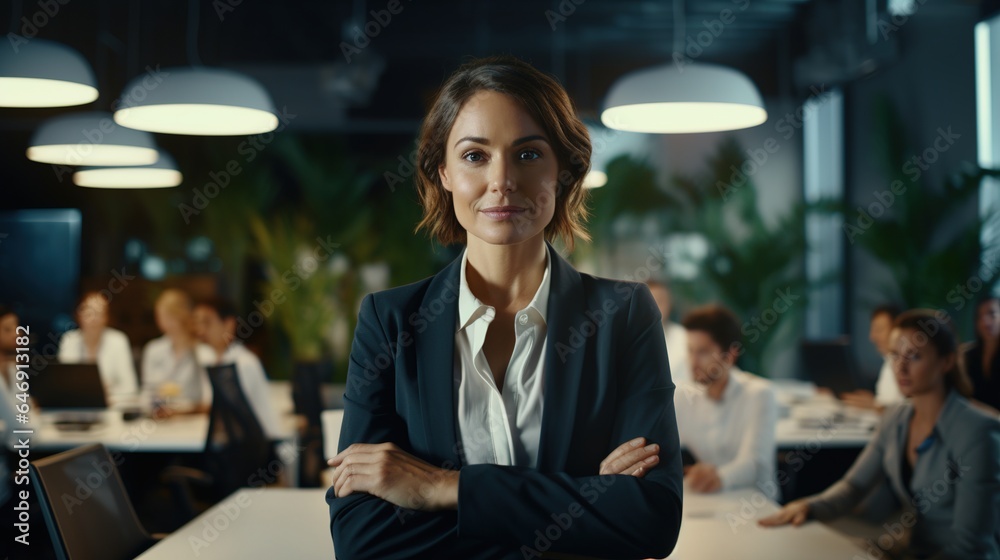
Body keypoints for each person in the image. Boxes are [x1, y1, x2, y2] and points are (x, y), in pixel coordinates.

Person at [326, 56, 683, 559]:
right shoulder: (389, 322)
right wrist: (584, 508)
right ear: (442, 172)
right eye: (475, 156)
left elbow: (651, 519)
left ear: (565, 171)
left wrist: (440, 490)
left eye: (529, 154)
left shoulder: (623, 314)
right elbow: (361, 539)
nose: (503, 180)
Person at [759, 310, 1000, 559]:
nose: (901, 367)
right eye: (895, 355)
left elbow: (970, 546)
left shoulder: (978, 431)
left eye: (915, 356)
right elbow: (854, 486)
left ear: (946, 362)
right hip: (913, 549)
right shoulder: (897, 418)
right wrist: (809, 506)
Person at [674, 305, 778, 498]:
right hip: (709, 499)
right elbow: (664, 449)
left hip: (755, 503)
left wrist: (717, 476)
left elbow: (755, 463)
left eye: (703, 352)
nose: (693, 362)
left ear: (730, 355)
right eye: (690, 351)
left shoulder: (759, 394)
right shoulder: (684, 397)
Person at [193, 297, 281, 439]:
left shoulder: (244, 363)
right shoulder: (210, 361)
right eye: (197, 324)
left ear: (228, 324)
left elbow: (231, 413)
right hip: (228, 443)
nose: (200, 330)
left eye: (207, 323)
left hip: (253, 447)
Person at [57, 291, 138, 402]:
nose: (94, 319)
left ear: (106, 317)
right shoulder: (69, 340)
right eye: (89, 313)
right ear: (80, 315)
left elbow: (130, 387)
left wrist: (105, 394)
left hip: (110, 408)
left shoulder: (118, 341)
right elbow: (62, 384)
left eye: (99, 313)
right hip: (76, 406)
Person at [141, 289, 213, 412]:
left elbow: (209, 399)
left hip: (193, 420)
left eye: (165, 316)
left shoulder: (202, 352)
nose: (160, 321)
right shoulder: (153, 349)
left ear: (180, 316)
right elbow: (147, 393)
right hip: (160, 419)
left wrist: (183, 410)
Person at [841, 304, 904, 411]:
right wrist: (873, 403)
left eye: (879, 330)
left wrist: (874, 406)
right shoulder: (888, 362)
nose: (872, 337)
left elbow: (908, 412)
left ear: (896, 331)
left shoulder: (905, 366)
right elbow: (889, 403)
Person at [959, 296, 1000, 414]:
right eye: (980, 316)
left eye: (992, 314)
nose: (985, 322)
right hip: (973, 422)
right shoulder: (967, 355)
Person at [647, 279, 691, 386]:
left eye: (660, 301)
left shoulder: (686, 338)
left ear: (670, 304)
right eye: (650, 302)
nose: (656, 307)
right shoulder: (624, 341)